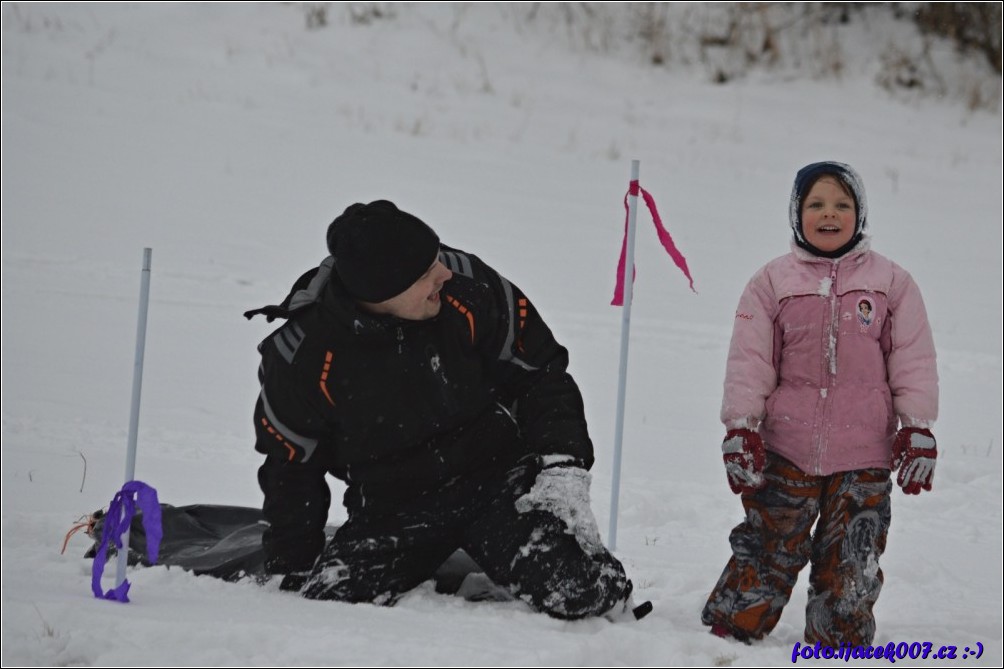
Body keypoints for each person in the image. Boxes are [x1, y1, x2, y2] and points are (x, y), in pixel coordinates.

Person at [244, 200, 651, 621]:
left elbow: (541, 374)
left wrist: (563, 466)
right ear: (382, 291)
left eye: (435, 257)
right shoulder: (304, 355)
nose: (444, 273)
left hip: (498, 480)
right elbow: (291, 467)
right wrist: (289, 570)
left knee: (582, 595)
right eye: (424, 273)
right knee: (327, 606)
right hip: (394, 506)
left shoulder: (467, 286)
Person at [701, 162, 938, 646]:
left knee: (853, 554)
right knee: (770, 541)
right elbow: (749, 361)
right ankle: (731, 628)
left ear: (860, 214)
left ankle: (840, 639)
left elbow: (911, 358)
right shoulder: (771, 283)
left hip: (865, 453)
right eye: (816, 204)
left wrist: (916, 427)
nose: (829, 214)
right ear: (796, 213)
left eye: (842, 205)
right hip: (787, 446)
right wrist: (742, 427)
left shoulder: (892, 284)